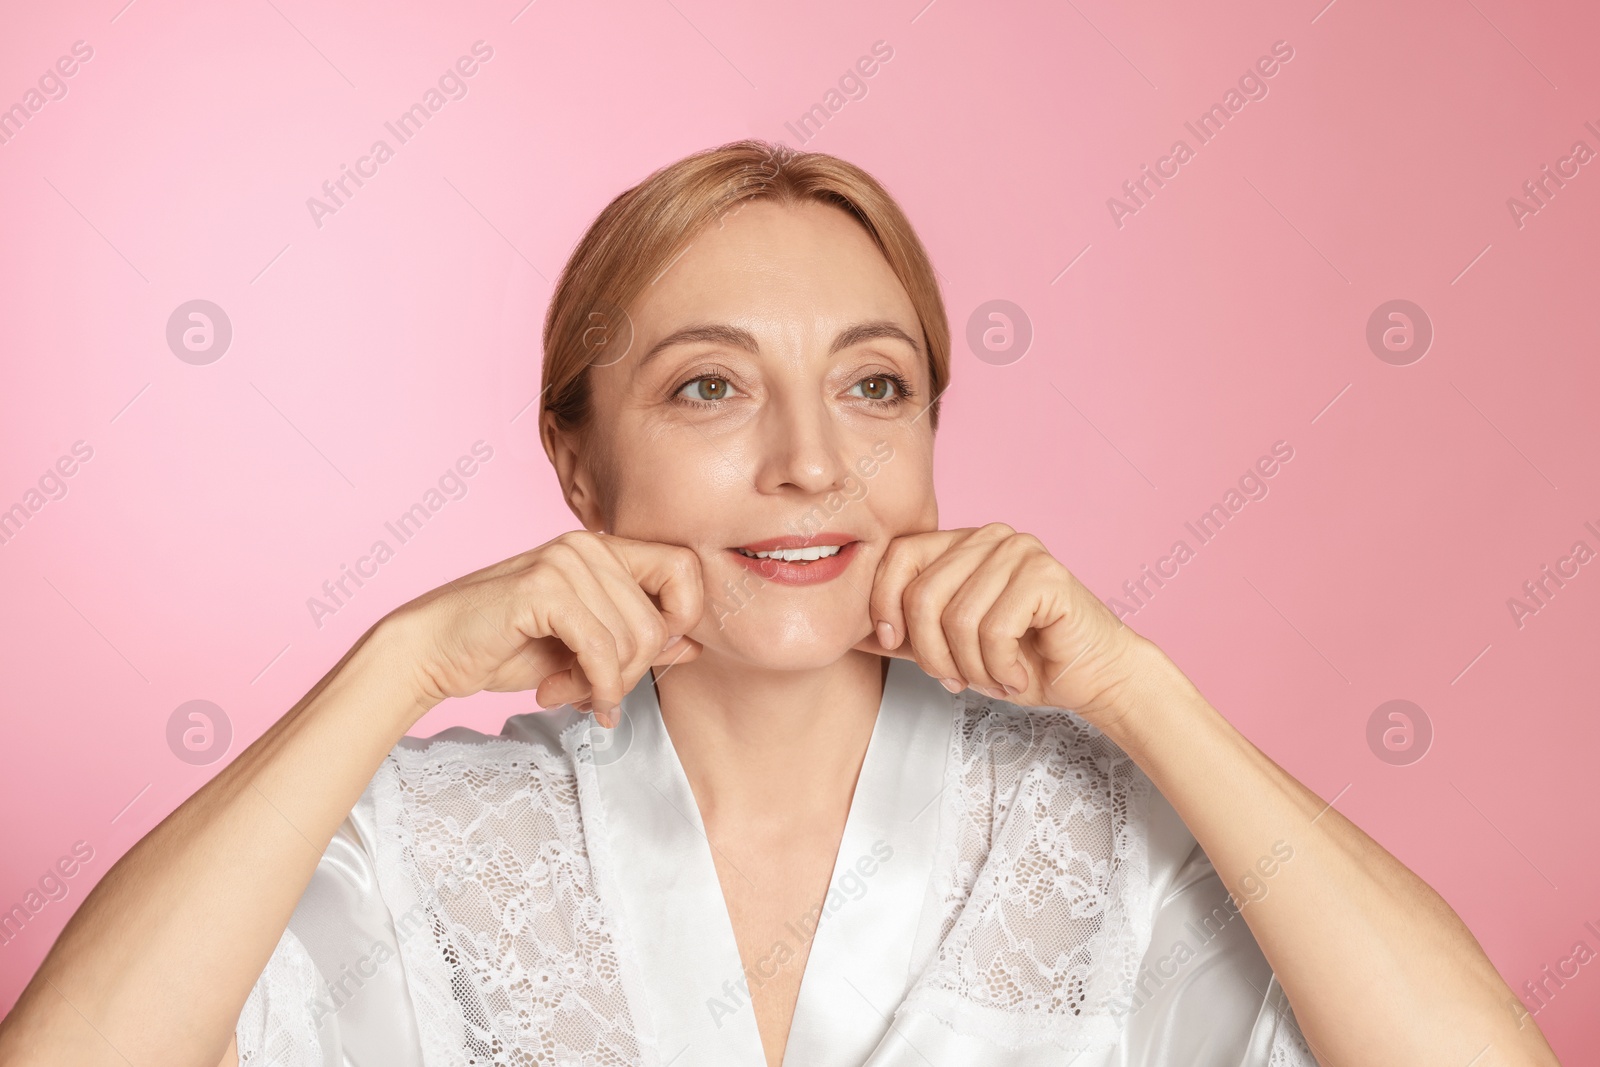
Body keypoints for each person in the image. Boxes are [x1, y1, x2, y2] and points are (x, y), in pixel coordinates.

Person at [0, 141, 1559, 1067]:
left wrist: (1143, 692)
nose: (812, 462)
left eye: (874, 387)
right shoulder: (416, 837)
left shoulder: (1107, 827)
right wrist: (392, 667)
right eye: (708, 389)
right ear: (578, 461)